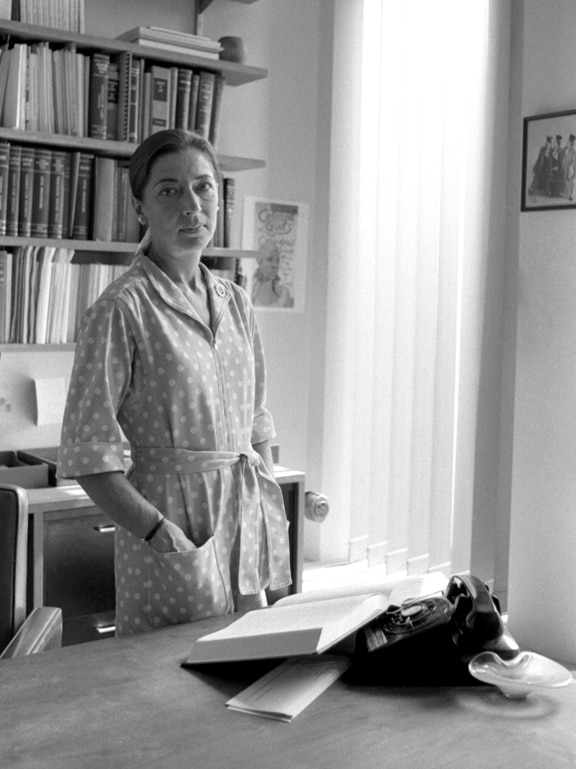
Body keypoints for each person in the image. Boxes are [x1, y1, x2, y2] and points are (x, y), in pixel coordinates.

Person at [57, 129, 292, 636]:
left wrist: (264, 506)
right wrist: (161, 533)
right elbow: (86, 454)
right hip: (173, 537)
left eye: (203, 188)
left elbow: (256, 421)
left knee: (251, 673)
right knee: (171, 692)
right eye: (169, 190)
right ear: (141, 207)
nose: (191, 206)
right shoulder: (121, 310)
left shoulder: (236, 303)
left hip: (244, 528)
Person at [251, 239, 294, 308]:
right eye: (270, 259)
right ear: (260, 261)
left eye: (277, 261)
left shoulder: (284, 294)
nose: (275, 265)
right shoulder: (250, 292)